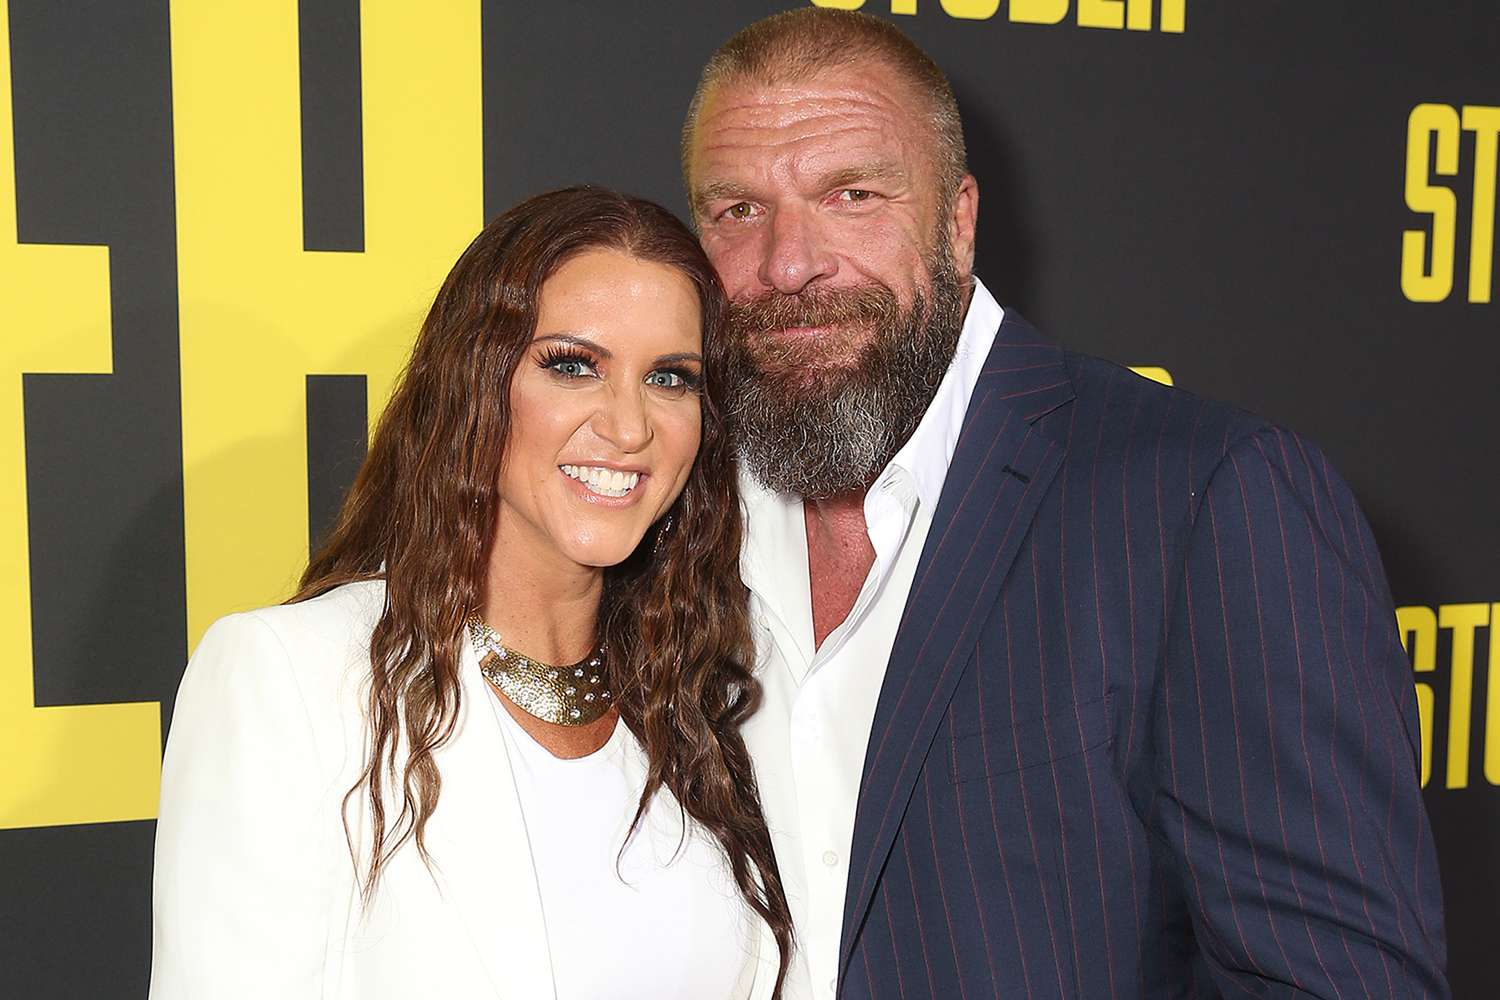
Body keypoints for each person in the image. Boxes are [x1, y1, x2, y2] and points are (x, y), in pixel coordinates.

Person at [682, 9, 1447, 999]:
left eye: (852, 194)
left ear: (958, 221)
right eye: (737, 209)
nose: (789, 263)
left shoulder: (1206, 503)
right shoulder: (667, 504)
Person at [149, 187, 791, 999]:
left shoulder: (714, 697)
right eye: (573, 366)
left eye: (670, 378)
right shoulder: (294, 679)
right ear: (475, 382)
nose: (630, 427)